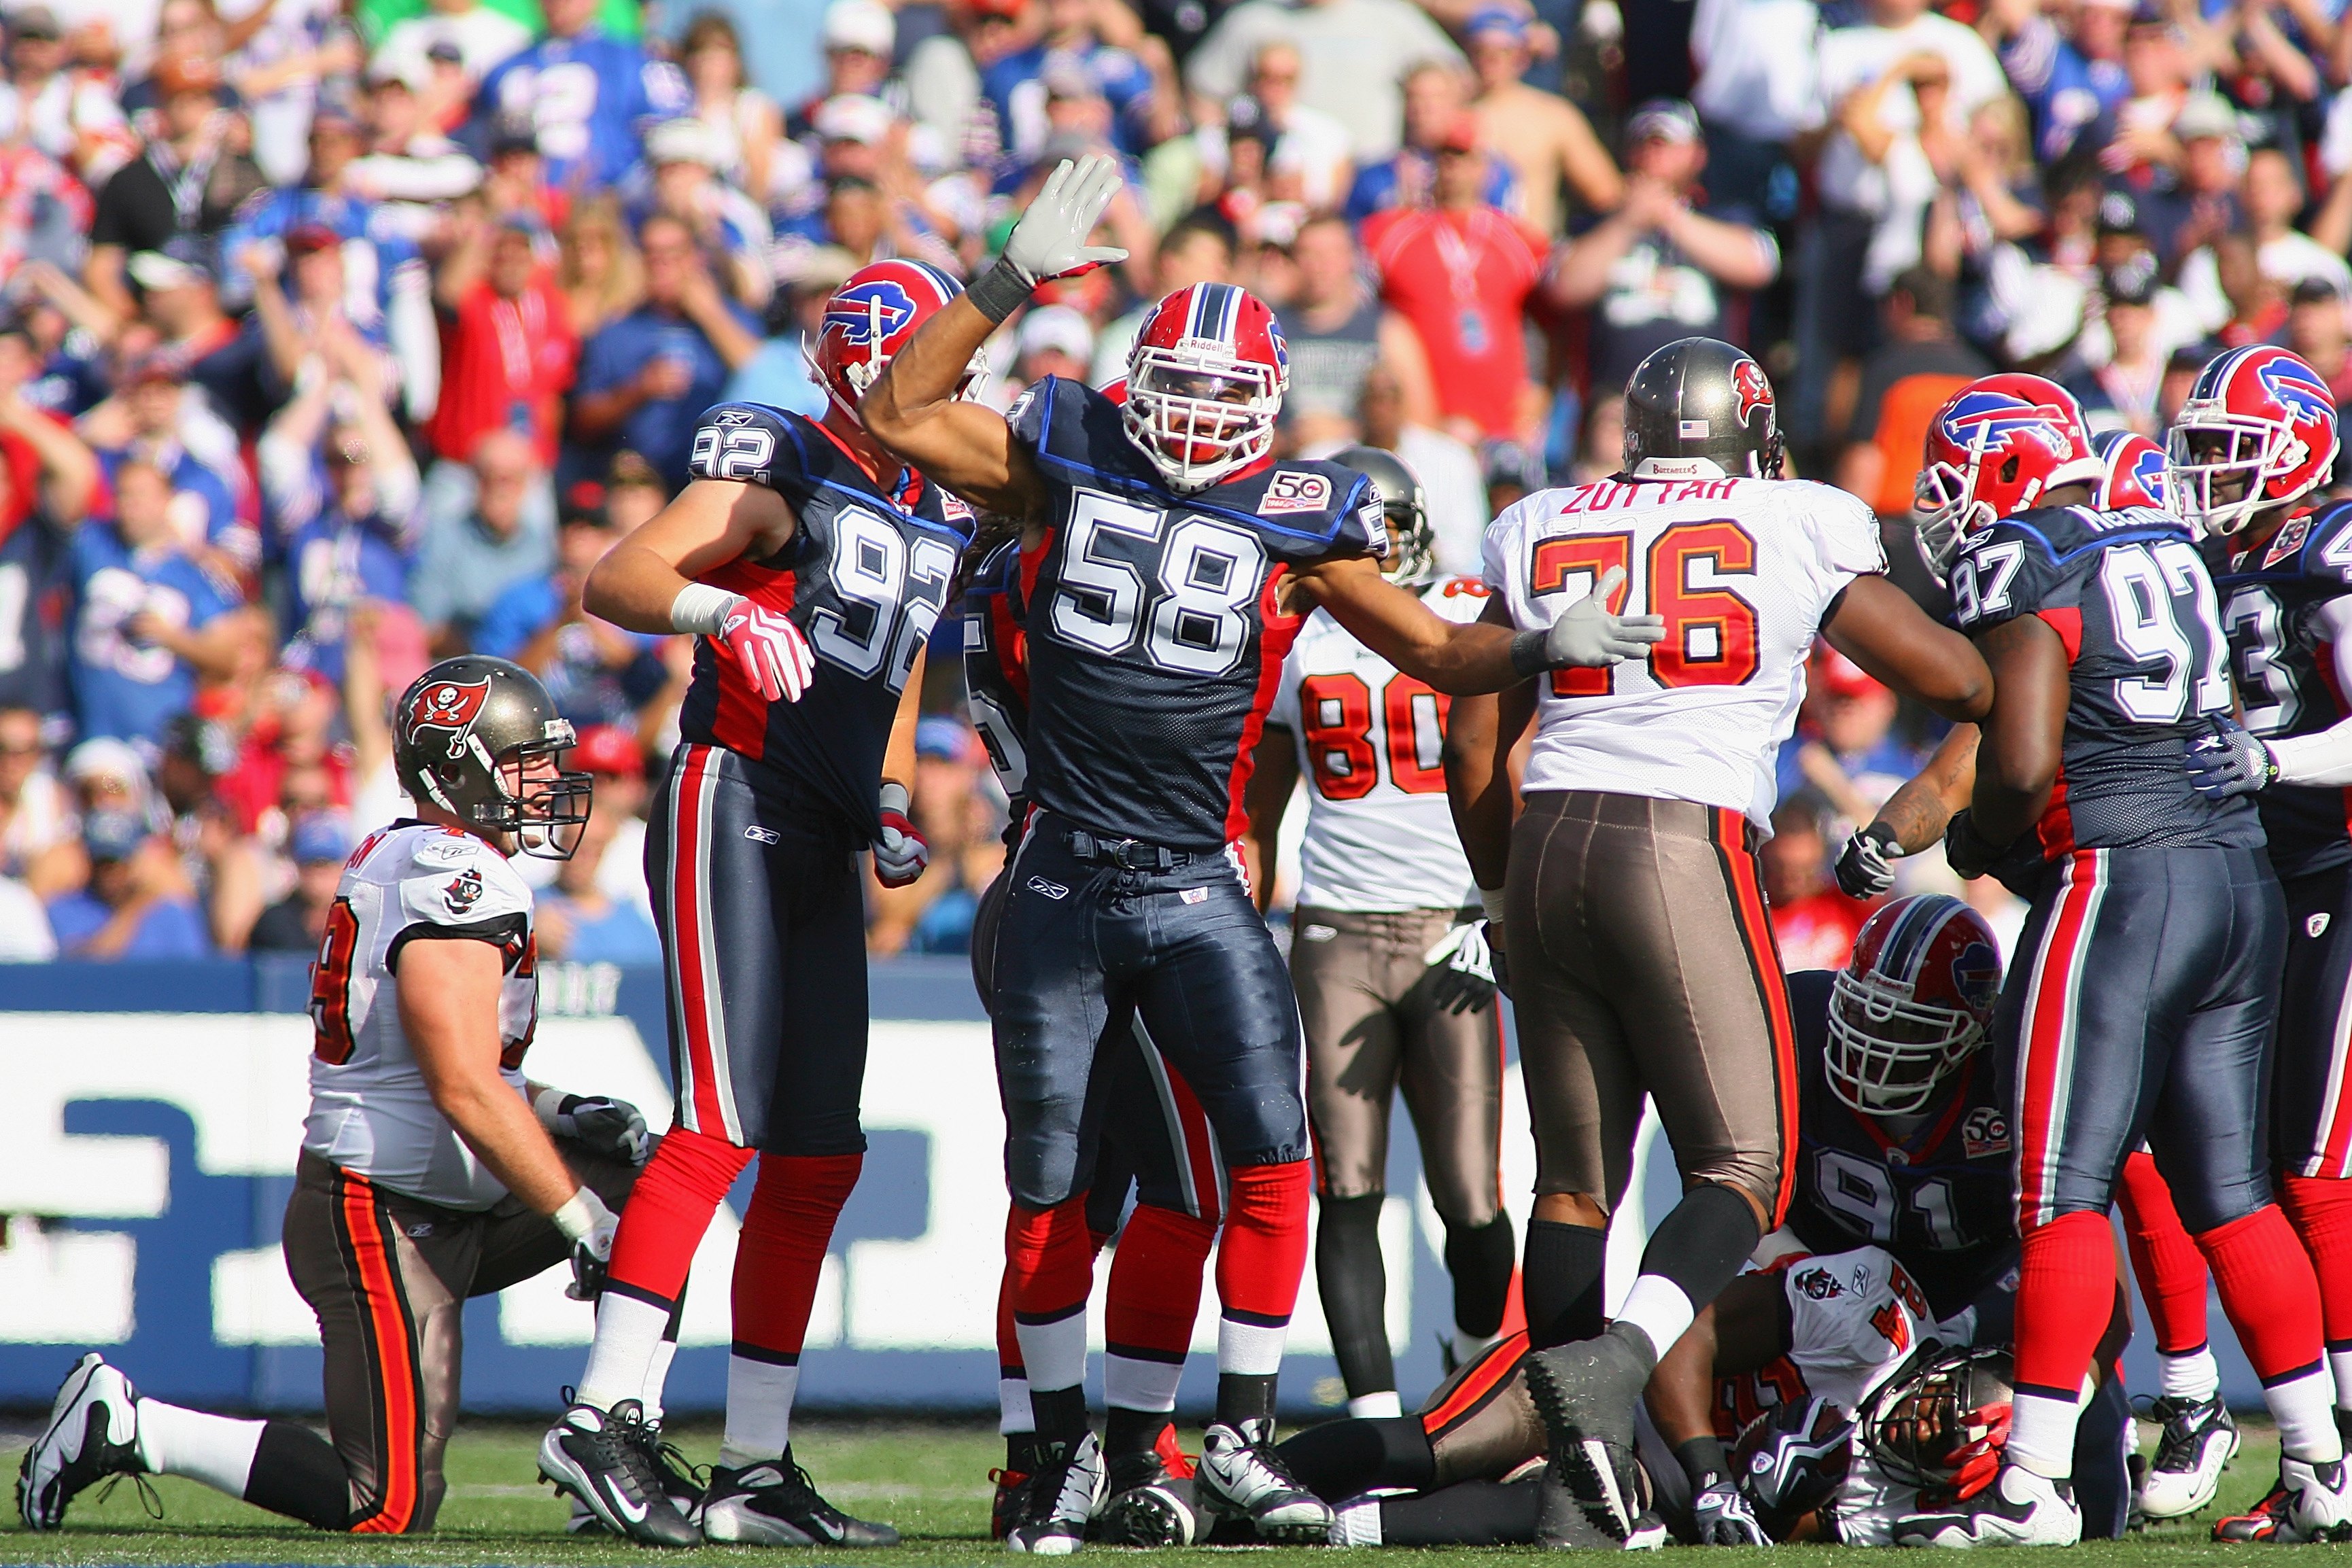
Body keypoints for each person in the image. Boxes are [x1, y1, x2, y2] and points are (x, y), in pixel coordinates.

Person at [859, 153, 1650, 1552]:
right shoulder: (1063, 448)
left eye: (1230, 398)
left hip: (1194, 880)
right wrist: (1005, 277)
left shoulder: (1300, 514)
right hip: (1054, 870)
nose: (1199, 417)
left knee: (1268, 1165)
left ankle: (1226, 1435)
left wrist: (1538, 644)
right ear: (1134, 380)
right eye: (1182, 389)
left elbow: (1425, 644)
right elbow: (900, 403)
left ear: (1273, 409)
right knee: (1045, 1180)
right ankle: (1048, 1456)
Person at [1441, 335, 1990, 1548]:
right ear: (1750, 431)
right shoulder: (1794, 515)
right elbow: (1957, 680)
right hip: (1679, 844)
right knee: (1747, 1167)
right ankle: (1612, 1370)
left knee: (1572, 1184)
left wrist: (1498, 891)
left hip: (1543, 848)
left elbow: (1473, 743)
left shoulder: (1543, 518)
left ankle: (1571, 1487)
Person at [16, 656, 663, 1536]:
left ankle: (612, 1439)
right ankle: (130, 1422)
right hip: (378, 1210)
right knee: (385, 1501)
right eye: (523, 761)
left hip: (437, 1194)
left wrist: (555, 1111)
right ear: (461, 769)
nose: (547, 782)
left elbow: (461, 1067)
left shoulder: (425, 855)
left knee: (662, 1189)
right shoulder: (452, 875)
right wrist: (581, 1220)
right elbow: (462, 1083)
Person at [540, 258, 969, 1549]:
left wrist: (894, 798)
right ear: (869, 361)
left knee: (820, 1151)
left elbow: (889, 674)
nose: (955, 382)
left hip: (823, 830)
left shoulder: (928, 496)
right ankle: (605, 1411)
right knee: (720, 1120)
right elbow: (618, 578)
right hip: (734, 794)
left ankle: (754, 1465)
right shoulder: (786, 454)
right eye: (933, 356)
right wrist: (717, 605)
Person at [1887, 366, 2347, 1546]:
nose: (1943, 505)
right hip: (2238, 875)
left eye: (1953, 477)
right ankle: (2320, 1458)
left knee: (2059, 1189)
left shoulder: (2031, 553)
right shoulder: (2171, 535)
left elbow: (2027, 754)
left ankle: (2030, 1482)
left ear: (2003, 465)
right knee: (2234, 1195)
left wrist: (1989, 840)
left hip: (2121, 876)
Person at [1243, 443, 1511, 1423]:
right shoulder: (1297, 633)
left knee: (1470, 1197)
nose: (1372, 549)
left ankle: (1477, 1361)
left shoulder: (1471, 606)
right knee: (1347, 1187)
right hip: (1336, 932)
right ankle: (1371, 1418)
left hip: (1453, 927)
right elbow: (1263, 804)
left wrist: (1504, 899)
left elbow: (1519, 754)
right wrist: (1252, 907)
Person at [2173, 345, 2352, 1540]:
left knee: (2316, 1173)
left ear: (2294, 442)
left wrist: (2274, 760)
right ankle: (2319, 1463)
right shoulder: (2236, 553)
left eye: (2227, 449)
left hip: (2340, 866)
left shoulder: (2333, 543)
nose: (2206, 473)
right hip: (2274, 878)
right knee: (2274, 1173)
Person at [1547, 99, 1777, 398]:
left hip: (1704, 397)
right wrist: (1628, 223)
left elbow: (1759, 265)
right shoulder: (1596, 225)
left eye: (1667, 144)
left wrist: (1671, 217)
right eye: (1644, 144)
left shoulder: (1725, 217)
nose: (1654, 154)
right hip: (1618, 399)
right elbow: (1563, 287)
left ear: (1697, 155)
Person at [570, 212, 762, 488]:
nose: (661, 265)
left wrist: (709, 314)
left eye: (673, 254)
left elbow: (764, 375)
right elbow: (584, 423)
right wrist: (639, 389)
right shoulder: (616, 332)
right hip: (642, 482)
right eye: (651, 254)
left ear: (696, 258)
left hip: (721, 480)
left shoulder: (736, 319)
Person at [468, 0, 687, 190]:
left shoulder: (636, 62)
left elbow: (673, 136)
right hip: (525, 208)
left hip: (607, 206)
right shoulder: (503, 69)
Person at [247, 810, 355, 952]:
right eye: (310, 863)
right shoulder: (275, 920)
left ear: (343, 866)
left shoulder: (356, 917)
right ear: (297, 865)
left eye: (326, 863)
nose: (318, 873)